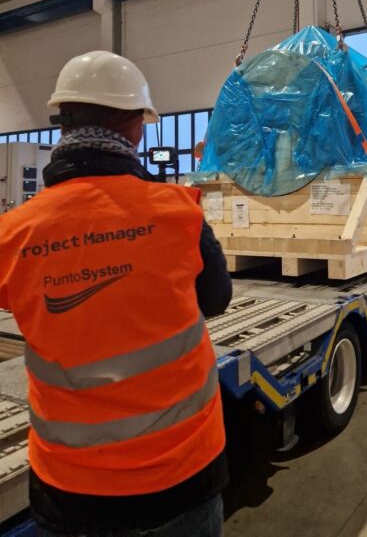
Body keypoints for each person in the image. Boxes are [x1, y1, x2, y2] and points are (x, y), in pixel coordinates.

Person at [0, 51, 232, 537]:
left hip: (71, 487)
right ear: (136, 127)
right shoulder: (178, 213)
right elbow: (216, 299)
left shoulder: (13, 234)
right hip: (182, 472)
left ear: (63, 123)